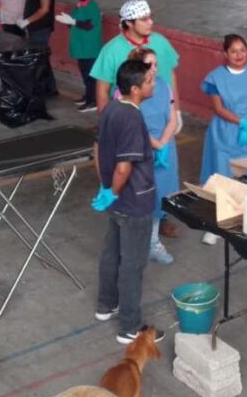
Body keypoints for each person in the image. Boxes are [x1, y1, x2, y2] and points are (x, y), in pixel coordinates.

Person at [91, 0, 182, 239]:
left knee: (164, 175)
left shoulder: (160, 43)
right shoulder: (111, 50)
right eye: (144, 19)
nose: (150, 22)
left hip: (161, 120)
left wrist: (177, 111)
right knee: (134, 175)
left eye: (151, 17)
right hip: (131, 121)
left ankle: (161, 218)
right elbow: (102, 91)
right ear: (129, 23)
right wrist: (108, 123)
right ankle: (135, 221)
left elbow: (170, 78)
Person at [91, 58, 165, 345]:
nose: (153, 83)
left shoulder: (111, 107)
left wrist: (105, 186)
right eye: (149, 81)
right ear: (135, 89)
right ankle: (130, 327)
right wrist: (114, 188)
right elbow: (125, 165)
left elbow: (97, 147)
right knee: (133, 264)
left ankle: (105, 305)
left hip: (117, 199)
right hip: (134, 200)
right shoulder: (133, 117)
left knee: (112, 253)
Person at [199, 34, 247, 245]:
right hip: (224, 132)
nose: (239, 55)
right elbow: (218, 108)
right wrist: (240, 122)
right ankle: (218, 226)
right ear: (225, 53)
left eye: (242, 50)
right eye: (234, 51)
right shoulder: (216, 77)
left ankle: (245, 218)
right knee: (223, 177)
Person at [127, 48, 178, 265]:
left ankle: (154, 242)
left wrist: (164, 142)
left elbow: (172, 117)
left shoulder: (164, 86)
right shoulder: (128, 91)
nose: (155, 69)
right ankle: (136, 243)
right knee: (140, 197)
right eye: (150, 65)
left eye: (156, 64)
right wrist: (154, 143)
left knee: (160, 195)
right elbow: (131, 122)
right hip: (141, 149)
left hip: (165, 149)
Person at [55, 0, 103, 112]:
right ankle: (88, 96)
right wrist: (68, 20)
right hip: (81, 47)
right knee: (85, 74)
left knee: (90, 76)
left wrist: (73, 21)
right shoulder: (79, 6)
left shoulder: (92, 7)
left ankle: (93, 100)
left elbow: (89, 25)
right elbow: (73, 22)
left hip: (90, 48)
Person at [19, 0, 58, 96]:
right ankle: (50, 88)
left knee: (39, 59)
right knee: (42, 58)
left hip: (41, 28)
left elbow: (44, 9)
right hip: (34, 27)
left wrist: (28, 21)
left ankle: (41, 89)